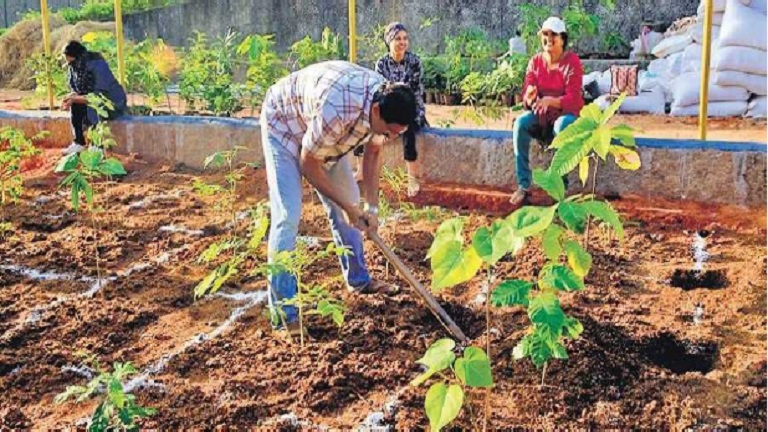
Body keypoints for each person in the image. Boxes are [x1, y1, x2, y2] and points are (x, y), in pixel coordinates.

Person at [260, 61, 418, 338]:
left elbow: (372, 154)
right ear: (377, 111)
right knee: (288, 216)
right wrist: (347, 207)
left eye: (396, 134)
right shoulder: (337, 107)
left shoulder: (382, 102)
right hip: (284, 126)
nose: (390, 137)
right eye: (388, 132)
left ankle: (359, 281)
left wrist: (370, 207)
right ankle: (284, 315)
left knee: (353, 203)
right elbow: (309, 164)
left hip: (323, 137)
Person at [510, 17, 584, 206]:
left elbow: (574, 100)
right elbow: (528, 94)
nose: (549, 39)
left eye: (554, 35)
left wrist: (552, 101)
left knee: (562, 125)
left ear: (563, 39)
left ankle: (560, 187)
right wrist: (529, 96)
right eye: (545, 34)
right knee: (521, 123)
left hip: (564, 117)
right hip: (542, 118)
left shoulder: (572, 62)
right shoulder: (535, 62)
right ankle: (524, 186)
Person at [354, 21, 427, 197]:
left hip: (410, 107)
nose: (402, 42)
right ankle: (360, 171)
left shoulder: (414, 62)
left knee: (409, 130)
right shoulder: (382, 64)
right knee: (363, 125)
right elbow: (380, 91)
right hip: (388, 108)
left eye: (405, 39)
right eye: (397, 39)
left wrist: (414, 112)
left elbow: (416, 91)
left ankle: (412, 178)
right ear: (389, 41)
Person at [61, 40, 127, 155]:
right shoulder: (74, 67)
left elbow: (100, 95)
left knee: (93, 105)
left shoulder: (97, 64)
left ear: (78, 56)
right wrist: (70, 97)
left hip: (111, 102)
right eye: (69, 63)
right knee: (75, 104)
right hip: (91, 98)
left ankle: (98, 146)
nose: (70, 66)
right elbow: (76, 90)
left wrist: (76, 98)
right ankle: (79, 143)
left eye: (72, 62)